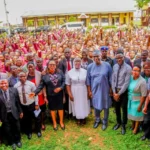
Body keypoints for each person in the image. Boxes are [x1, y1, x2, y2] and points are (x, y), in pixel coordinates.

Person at [29, 60, 65, 131]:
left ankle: (61, 122)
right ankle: (54, 123)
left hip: (59, 94)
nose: (52, 66)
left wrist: (60, 88)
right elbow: (41, 85)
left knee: (60, 108)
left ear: (56, 65)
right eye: (50, 65)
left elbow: (64, 81)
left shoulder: (60, 72)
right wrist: (35, 92)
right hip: (50, 95)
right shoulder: (45, 75)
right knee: (52, 109)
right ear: (48, 66)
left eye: (53, 64)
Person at [86, 50, 112, 131]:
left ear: (101, 56)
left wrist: (111, 89)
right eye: (94, 56)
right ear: (92, 57)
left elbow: (111, 78)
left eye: (97, 56)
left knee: (106, 104)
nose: (96, 58)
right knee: (96, 104)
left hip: (105, 89)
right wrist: (89, 91)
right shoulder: (90, 66)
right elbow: (88, 80)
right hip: (95, 89)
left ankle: (105, 120)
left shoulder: (107, 65)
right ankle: (97, 119)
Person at [14, 72, 42, 139]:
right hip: (23, 106)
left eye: (24, 76)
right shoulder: (16, 86)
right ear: (18, 77)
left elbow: (35, 94)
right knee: (27, 119)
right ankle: (29, 132)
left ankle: (38, 131)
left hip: (32, 104)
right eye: (20, 76)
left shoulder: (31, 84)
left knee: (37, 117)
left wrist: (36, 104)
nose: (22, 78)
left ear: (26, 76)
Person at [112, 52, 132, 135]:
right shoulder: (115, 66)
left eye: (120, 58)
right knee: (116, 108)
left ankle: (124, 125)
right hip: (115, 91)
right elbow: (113, 79)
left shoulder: (128, 68)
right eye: (117, 58)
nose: (119, 59)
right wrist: (114, 92)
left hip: (123, 91)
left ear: (123, 58)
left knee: (124, 108)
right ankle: (118, 122)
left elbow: (126, 83)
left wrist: (118, 94)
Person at [66, 57, 90, 125]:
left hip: (83, 89)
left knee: (83, 103)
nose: (77, 63)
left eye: (79, 61)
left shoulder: (85, 71)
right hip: (74, 90)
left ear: (81, 62)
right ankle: (78, 118)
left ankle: (84, 117)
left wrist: (89, 92)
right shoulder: (69, 72)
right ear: (74, 63)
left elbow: (88, 83)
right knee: (76, 104)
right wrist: (70, 94)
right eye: (76, 61)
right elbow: (67, 84)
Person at [0, 79, 23, 150]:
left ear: (8, 83)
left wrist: (20, 111)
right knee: (8, 129)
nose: (4, 85)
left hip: (14, 112)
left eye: (5, 83)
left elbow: (17, 102)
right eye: (1, 83)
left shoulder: (14, 90)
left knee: (17, 127)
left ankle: (18, 140)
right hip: (4, 115)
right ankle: (12, 142)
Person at [26, 62, 48, 130]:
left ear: (34, 67)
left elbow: (43, 85)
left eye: (31, 66)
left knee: (41, 110)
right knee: (33, 109)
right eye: (29, 67)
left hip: (39, 94)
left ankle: (42, 123)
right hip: (31, 95)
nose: (30, 68)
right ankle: (35, 123)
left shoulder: (39, 73)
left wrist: (45, 96)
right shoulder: (26, 75)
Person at [128, 65, 147, 134]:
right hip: (130, 100)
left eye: (136, 70)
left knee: (137, 114)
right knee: (131, 113)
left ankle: (136, 128)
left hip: (138, 101)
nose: (134, 72)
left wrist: (140, 105)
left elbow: (143, 95)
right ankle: (133, 125)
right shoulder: (131, 78)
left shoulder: (142, 81)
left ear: (140, 71)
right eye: (133, 70)